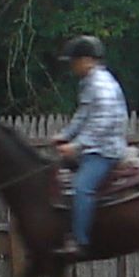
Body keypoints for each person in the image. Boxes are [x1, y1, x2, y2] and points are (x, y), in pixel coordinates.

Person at [52, 35, 129, 259]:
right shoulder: (89, 83)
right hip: (94, 146)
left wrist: (76, 146)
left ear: (87, 60)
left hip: (105, 150)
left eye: (74, 61)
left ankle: (80, 241)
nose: (72, 66)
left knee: (81, 188)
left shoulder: (101, 84)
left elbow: (102, 122)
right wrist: (64, 135)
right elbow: (83, 115)